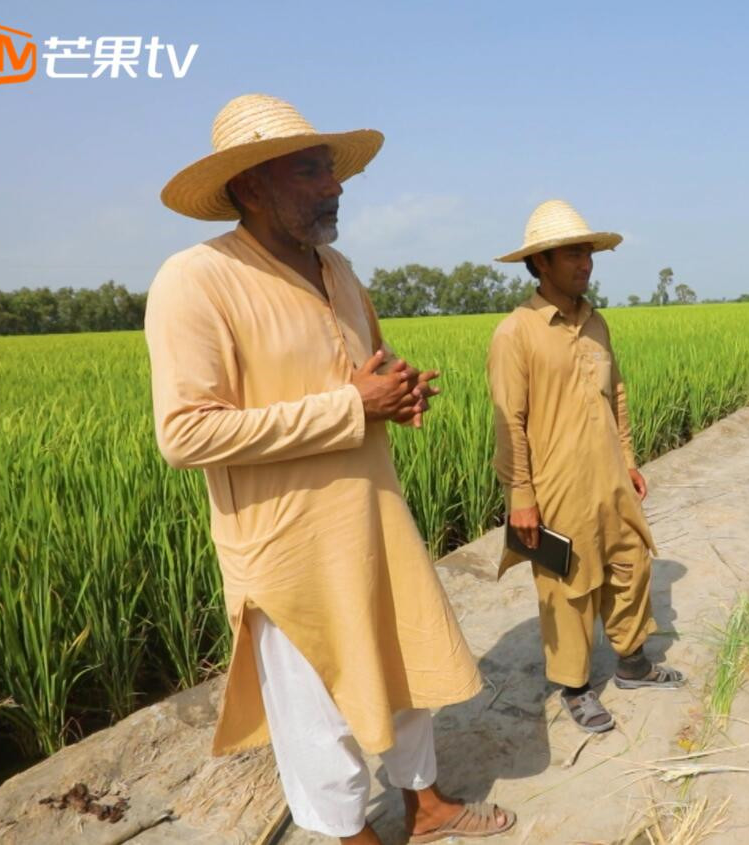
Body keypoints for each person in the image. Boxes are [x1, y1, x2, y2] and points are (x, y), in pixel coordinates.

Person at [147, 94, 514, 843]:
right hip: (286, 546)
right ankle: (351, 834)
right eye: (312, 169)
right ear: (249, 185)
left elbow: (360, 374)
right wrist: (351, 406)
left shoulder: (337, 269)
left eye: (331, 169)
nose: (335, 185)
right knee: (314, 712)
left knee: (402, 664)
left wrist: (395, 393)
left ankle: (429, 804)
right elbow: (185, 434)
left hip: (370, 516)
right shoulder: (196, 279)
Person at [488, 200, 685, 735]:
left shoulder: (596, 322)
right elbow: (510, 421)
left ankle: (633, 662)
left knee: (631, 564)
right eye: (572, 253)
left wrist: (628, 458)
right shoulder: (516, 332)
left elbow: (614, 393)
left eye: (588, 252)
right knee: (567, 585)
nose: (585, 263)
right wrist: (521, 497)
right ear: (541, 263)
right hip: (556, 485)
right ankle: (574, 687)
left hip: (611, 477)